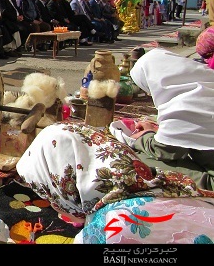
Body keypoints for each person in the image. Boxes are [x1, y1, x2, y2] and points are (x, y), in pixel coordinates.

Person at [16, 121, 214, 244]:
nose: (51, 204)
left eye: (47, 194)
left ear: (65, 186)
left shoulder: (110, 230)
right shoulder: (164, 184)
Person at [128, 47, 214, 191]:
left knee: (138, 159)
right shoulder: (206, 81)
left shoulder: (184, 104)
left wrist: (143, 137)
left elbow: (168, 152)